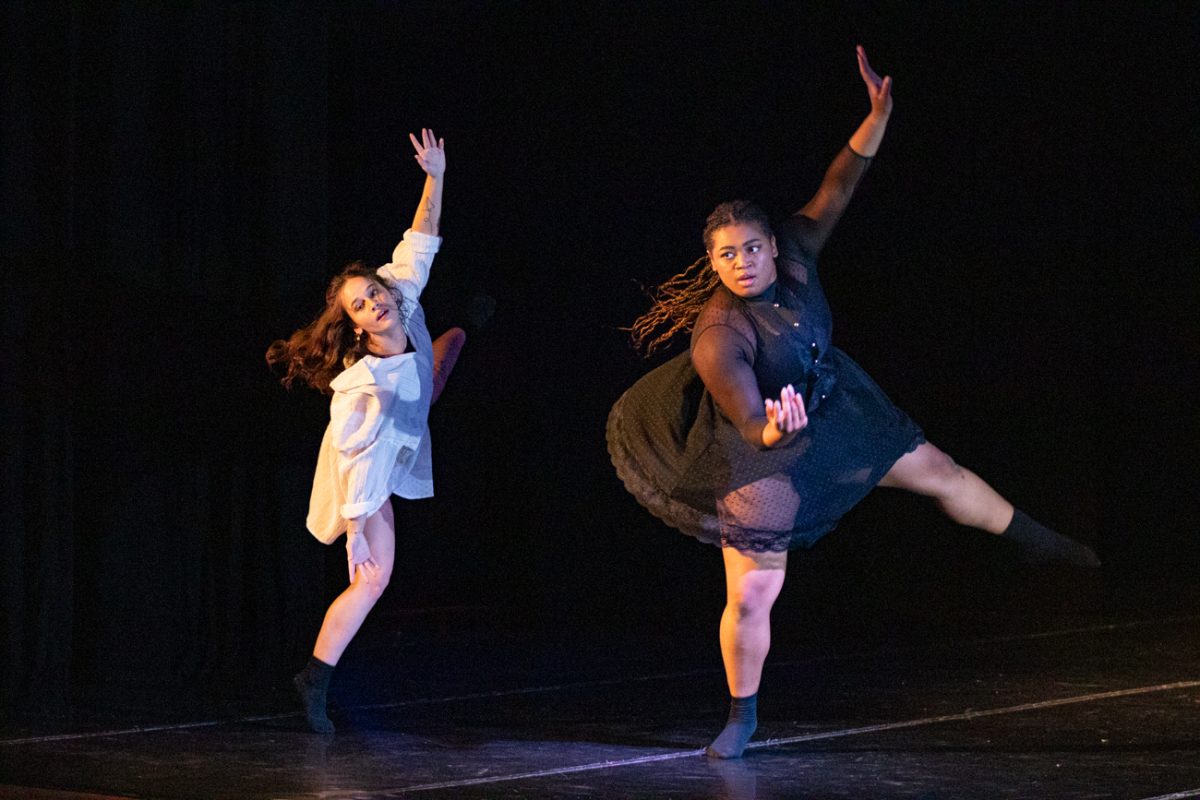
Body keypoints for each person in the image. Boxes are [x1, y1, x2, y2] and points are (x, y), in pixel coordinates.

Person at [606, 48, 1099, 759]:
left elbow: (842, 181)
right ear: (712, 264)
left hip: (829, 404)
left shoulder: (802, 249)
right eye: (726, 256)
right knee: (750, 596)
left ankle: (1038, 543)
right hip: (757, 449)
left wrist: (879, 116)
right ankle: (742, 714)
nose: (741, 263)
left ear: (773, 245)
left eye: (750, 248)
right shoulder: (719, 333)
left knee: (942, 472)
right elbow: (747, 417)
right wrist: (772, 428)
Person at [266, 129, 465, 734]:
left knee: (446, 346)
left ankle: (434, 373)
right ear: (352, 326)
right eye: (360, 305)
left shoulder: (401, 296)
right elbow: (354, 461)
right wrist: (355, 527)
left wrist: (435, 175)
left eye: (372, 292)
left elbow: (421, 238)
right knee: (373, 576)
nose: (374, 304)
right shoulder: (360, 387)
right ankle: (315, 679)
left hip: (406, 425)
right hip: (369, 455)